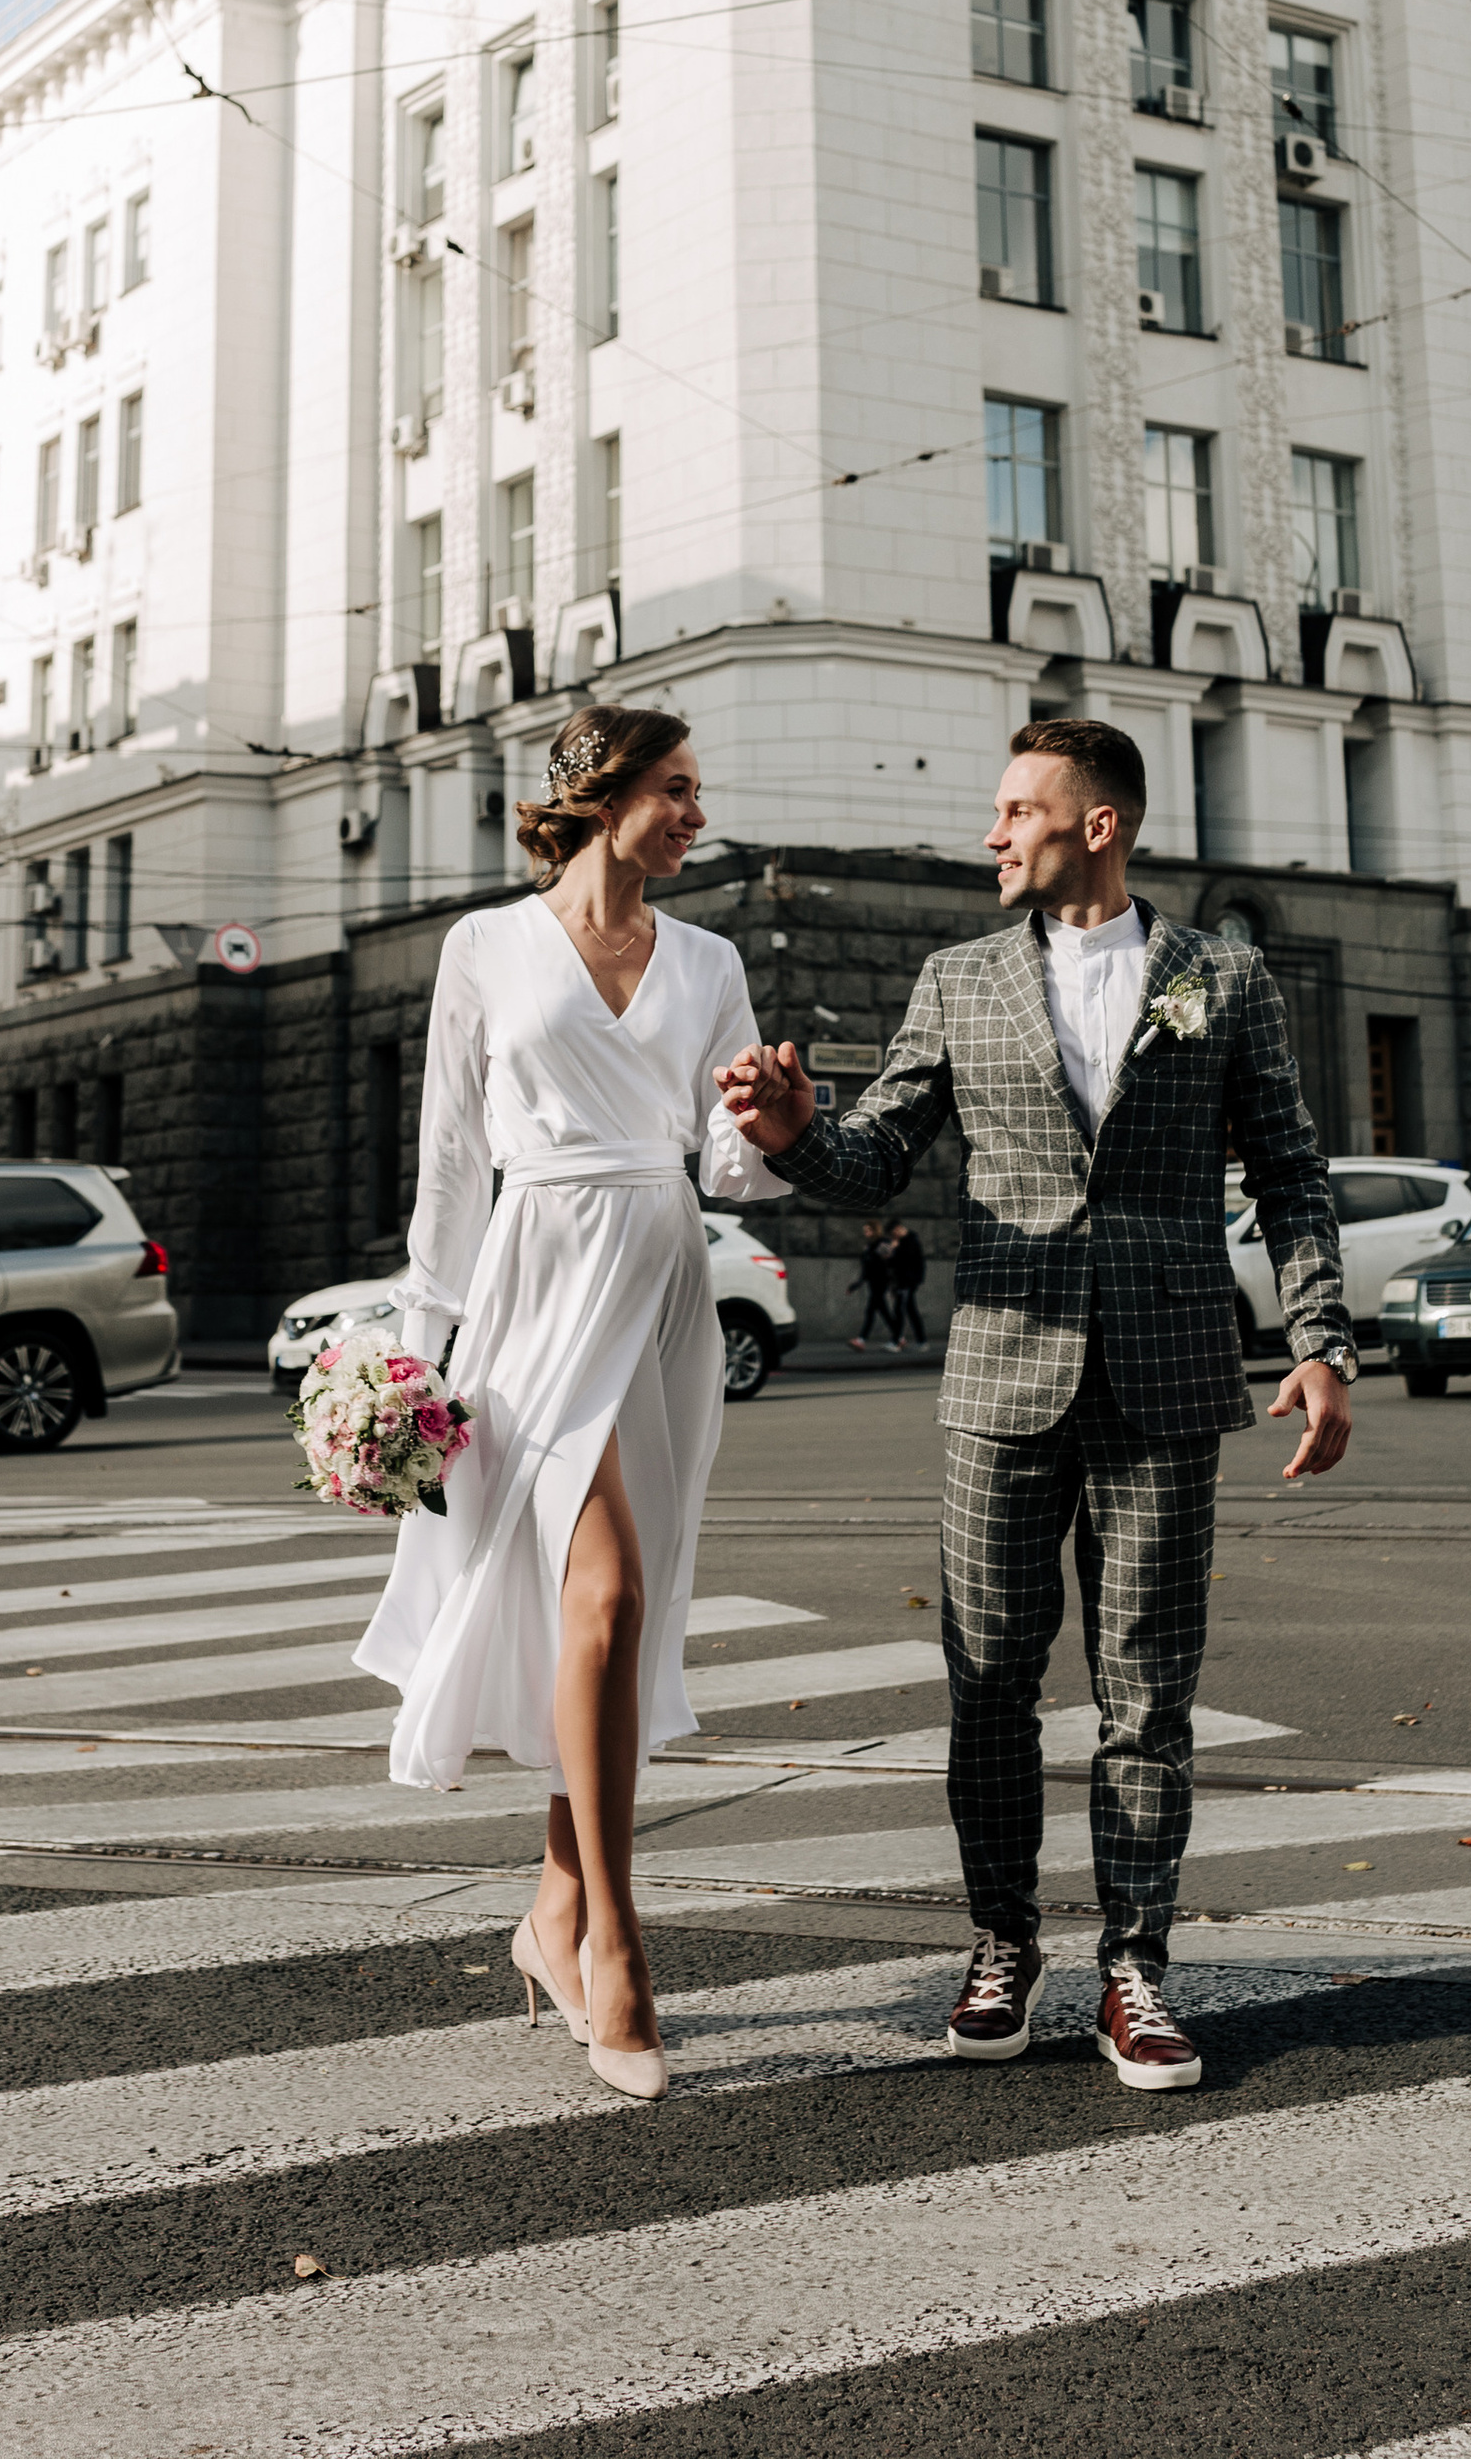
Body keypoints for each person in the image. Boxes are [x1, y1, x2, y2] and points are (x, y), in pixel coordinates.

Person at [721, 715, 1353, 2094]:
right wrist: (788, 1137)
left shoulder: (1221, 979)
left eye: (1017, 810)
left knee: (1148, 1697)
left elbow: (1292, 1176)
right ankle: (1003, 1940)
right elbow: (877, 1154)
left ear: (1097, 824)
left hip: (1171, 1378)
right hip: (1004, 1380)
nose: (993, 833)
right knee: (991, 1683)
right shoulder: (957, 982)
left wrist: (1319, 1342)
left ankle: (1137, 1968)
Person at [354, 705, 867, 2102]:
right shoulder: (484, 947)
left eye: (701, 791)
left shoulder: (706, 961)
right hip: (532, 1286)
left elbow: (729, 1163)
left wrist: (774, 1125)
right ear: (600, 796)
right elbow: (455, 1164)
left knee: (618, 1608)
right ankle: (621, 1945)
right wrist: (414, 1357)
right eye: (679, 790)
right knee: (608, 1594)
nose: (700, 815)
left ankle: (551, 1907)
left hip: (657, 1285)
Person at [848, 1221, 900, 1350]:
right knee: (884, 1312)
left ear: (875, 1230)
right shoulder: (869, 1246)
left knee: (871, 1312)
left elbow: (890, 1265)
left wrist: (893, 1285)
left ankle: (861, 1339)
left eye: (868, 1230)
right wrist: (856, 1285)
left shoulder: (882, 1244)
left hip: (881, 1282)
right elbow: (866, 1269)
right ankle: (899, 1337)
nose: (866, 1233)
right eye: (865, 1231)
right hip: (873, 1282)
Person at [884, 1216, 929, 1352]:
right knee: (911, 1311)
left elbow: (905, 1262)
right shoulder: (907, 1241)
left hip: (907, 1282)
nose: (892, 1237)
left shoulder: (909, 1241)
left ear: (897, 1229)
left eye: (893, 1234)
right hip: (904, 1282)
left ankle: (896, 1342)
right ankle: (921, 1341)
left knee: (900, 1311)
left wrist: (894, 1250)